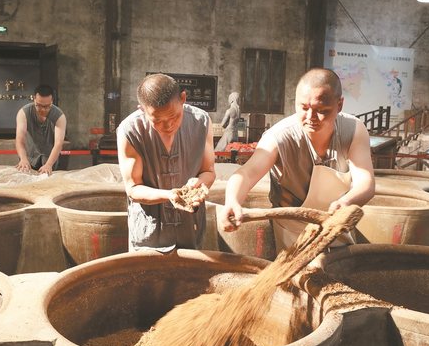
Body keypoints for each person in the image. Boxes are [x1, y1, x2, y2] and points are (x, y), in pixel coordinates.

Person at [217, 68, 375, 254]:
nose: (310, 118)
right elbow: (247, 172)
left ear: (339, 105)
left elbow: (366, 182)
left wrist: (347, 202)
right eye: (303, 108)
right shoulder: (279, 136)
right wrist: (232, 200)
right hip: (290, 230)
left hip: (333, 225)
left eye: (321, 110)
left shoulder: (354, 130)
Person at [117, 73, 216, 252]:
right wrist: (170, 195)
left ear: (183, 99)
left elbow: (208, 171)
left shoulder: (201, 122)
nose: (168, 126)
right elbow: (133, 188)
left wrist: (199, 184)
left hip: (190, 229)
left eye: (174, 116)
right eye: (158, 121)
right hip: (150, 234)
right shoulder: (130, 130)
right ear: (142, 110)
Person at [15, 84, 67, 176]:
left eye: (47, 106)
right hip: (29, 159)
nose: (43, 109)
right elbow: (20, 139)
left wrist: (48, 165)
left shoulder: (59, 116)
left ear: (52, 101)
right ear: (34, 98)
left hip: (50, 160)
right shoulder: (24, 112)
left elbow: (58, 143)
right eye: (39, 105)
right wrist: (23, 159)